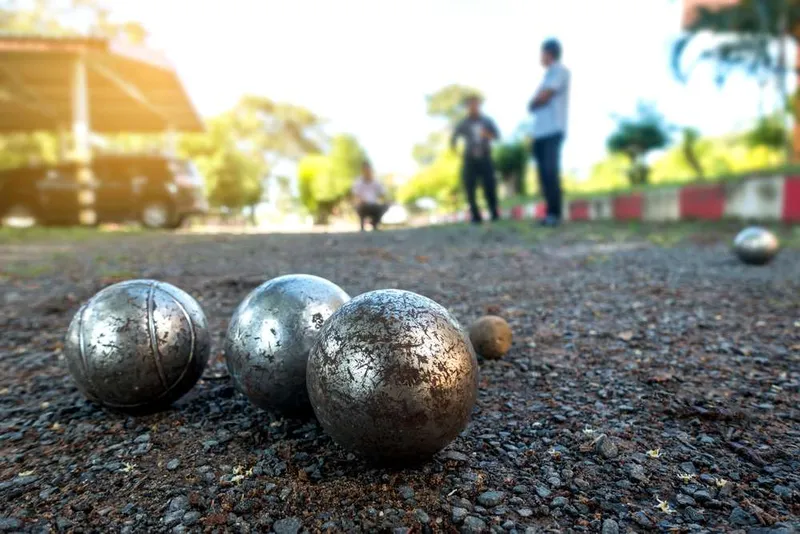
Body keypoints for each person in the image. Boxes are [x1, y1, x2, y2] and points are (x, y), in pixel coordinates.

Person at [529, 38, 570, 227]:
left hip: (553, 129)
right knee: (543, 175)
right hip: (540, 132)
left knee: (550, 171)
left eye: (541, 53)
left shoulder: (560, 71)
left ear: (549, 53)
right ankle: (549, 212)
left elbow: (543, 97)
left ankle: (555, 213)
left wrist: (534, 102)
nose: (540, 57)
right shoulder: (547, 76)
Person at [451, 95, 500, 224]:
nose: (473, 107)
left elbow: (497, 136)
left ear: (479, 105)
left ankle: (494, 212)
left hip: (485, 156)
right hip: (470, 158)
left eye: (475, 104)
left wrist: (487, 134)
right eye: (470, 104)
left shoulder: (487, 121)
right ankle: (475, 215)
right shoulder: (464, 123)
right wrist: (457, 152)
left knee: (490, 185)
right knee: (469, 186)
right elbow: (454, 138)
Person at [351, 160, 388, 231]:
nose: (367, 172)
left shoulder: (376, 182)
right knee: (359, 206)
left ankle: (374, 223)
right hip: (363, 205)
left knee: (386, 205)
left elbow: (383, 193)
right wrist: (360, 200)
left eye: (368, 169)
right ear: (362, 171)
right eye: (365, 170)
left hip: (374, 205)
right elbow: (355, 195)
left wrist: (384, 200)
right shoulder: (358, 182)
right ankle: (362, 224)